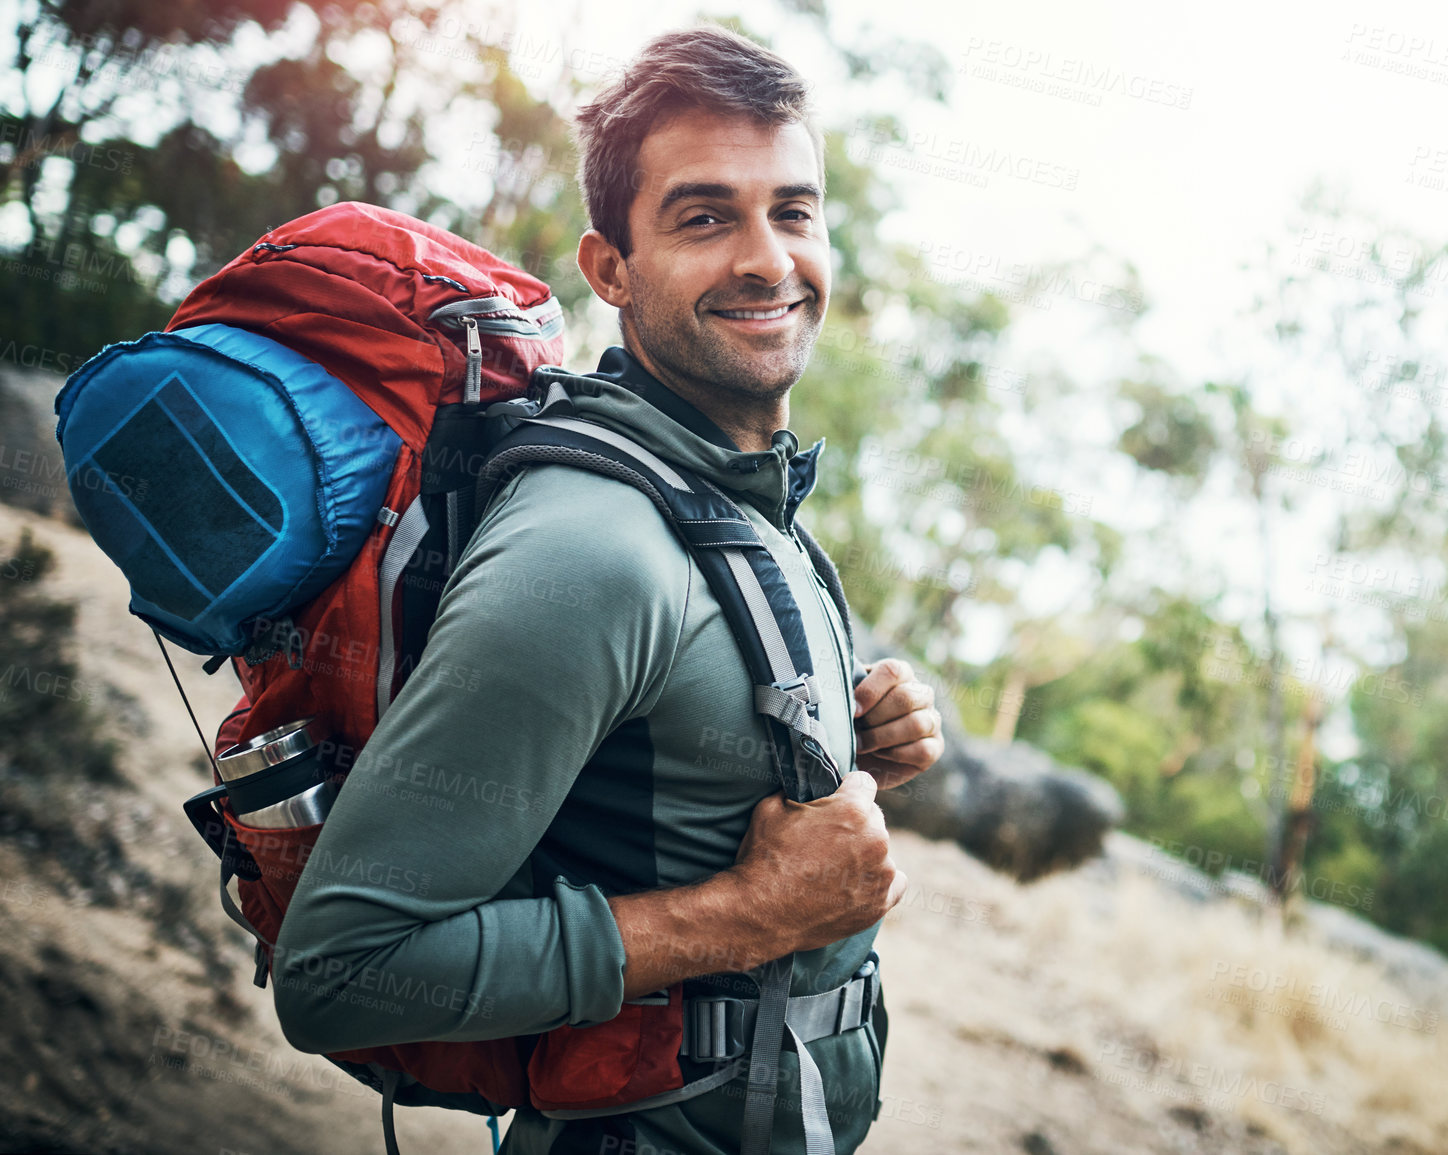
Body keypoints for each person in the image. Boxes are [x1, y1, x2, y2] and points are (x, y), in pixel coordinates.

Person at [272, 24, 945, 1155]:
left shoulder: (738, 493)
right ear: (610, 269)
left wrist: (850, 734)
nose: (768, 260)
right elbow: (341, 974)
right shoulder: (589, 550)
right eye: (703, 216)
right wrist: (751, 914)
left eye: (793, 209)